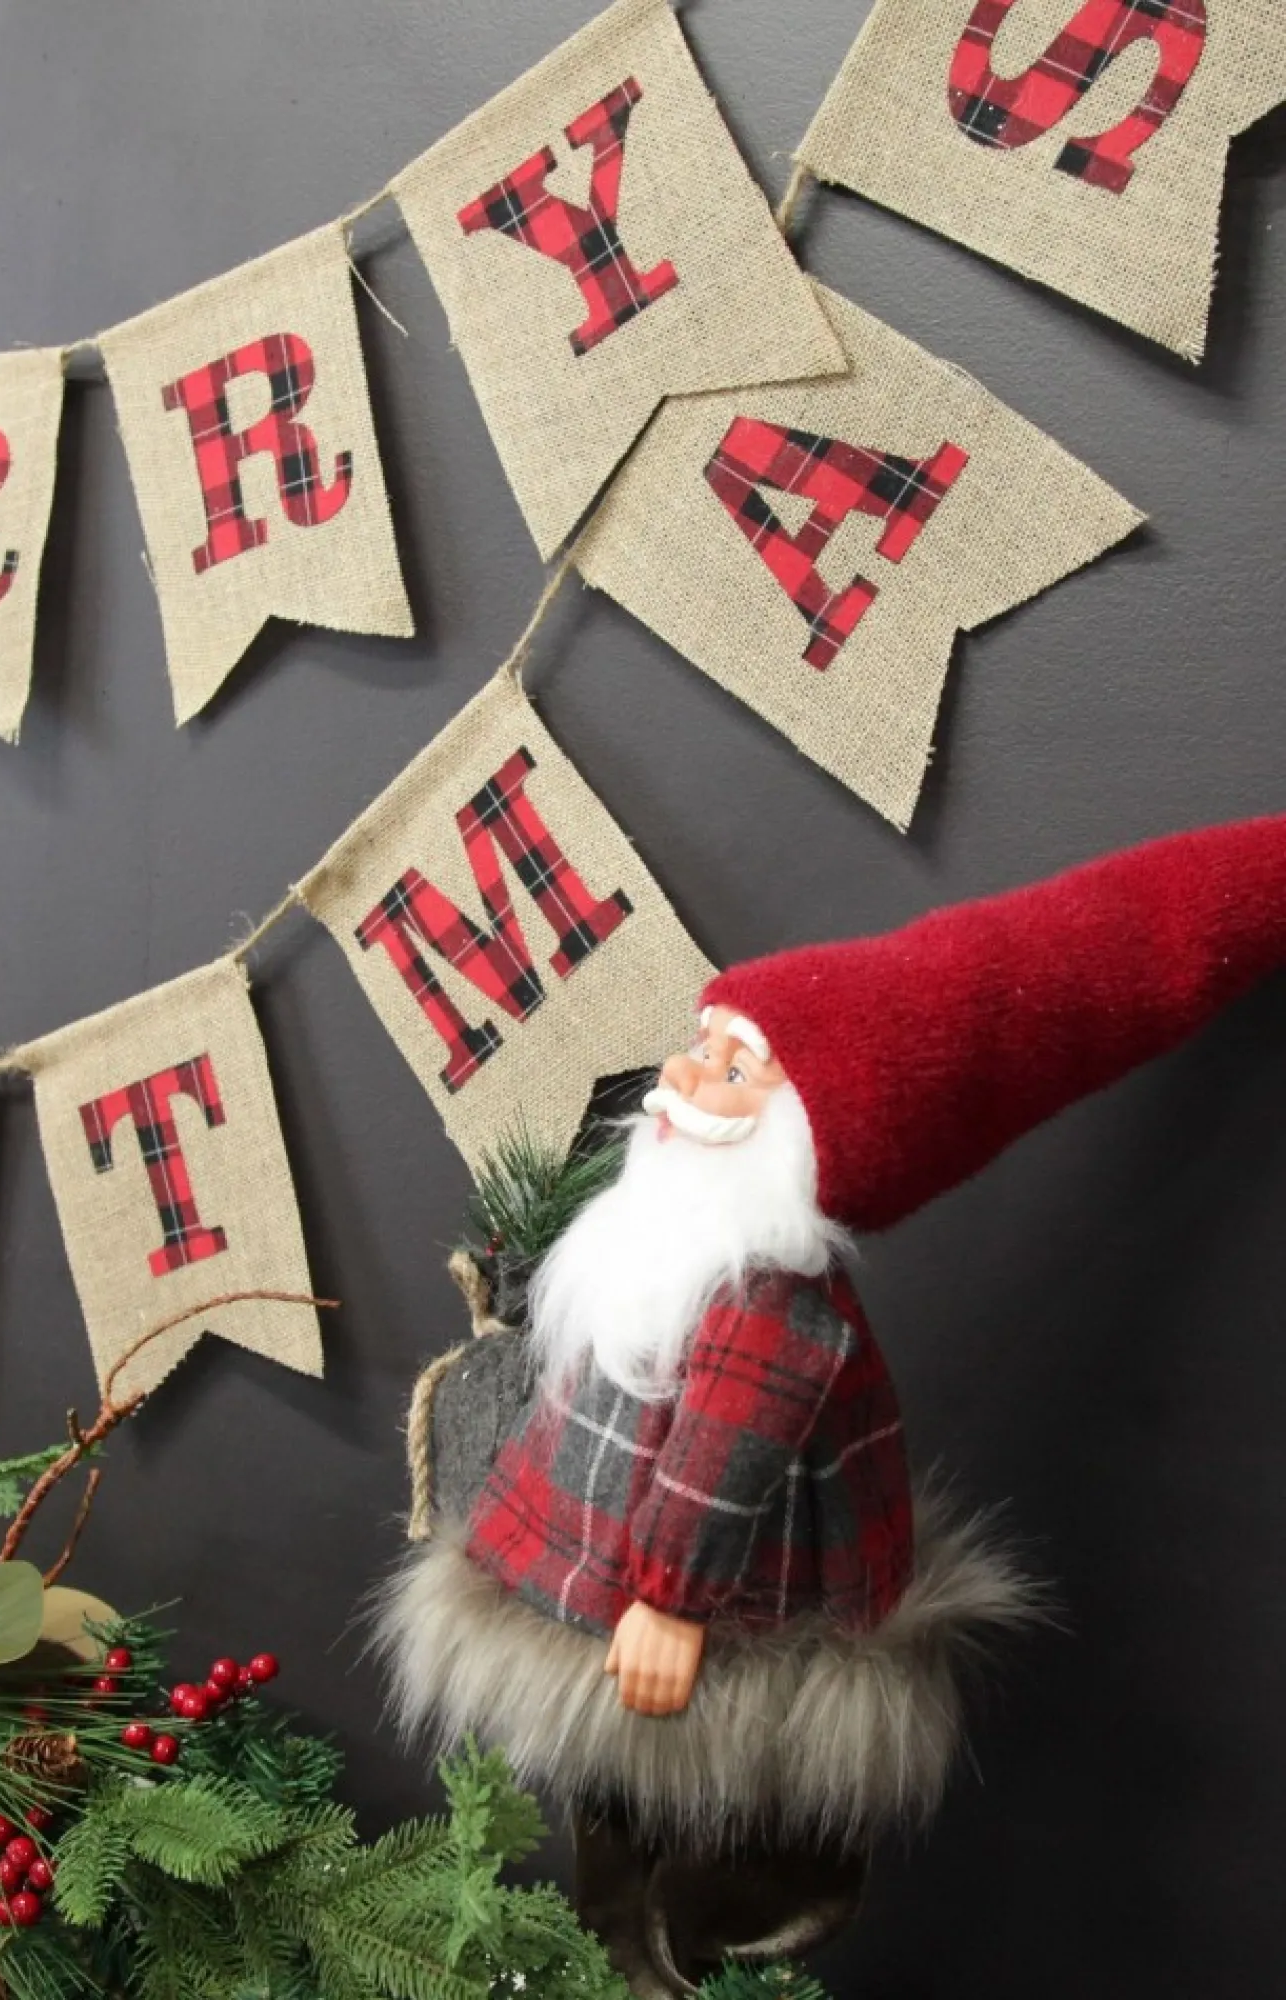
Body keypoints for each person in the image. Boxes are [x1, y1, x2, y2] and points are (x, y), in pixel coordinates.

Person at [375, 811, 1286, 1994]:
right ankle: (613, 1953)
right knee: (617, 1811)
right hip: (585, 1589)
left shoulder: (768, 1308)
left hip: (708, 1615)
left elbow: (715, 1465)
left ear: (812, 1129)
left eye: (733, 1064)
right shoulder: (667, 1240)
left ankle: (690, 1961)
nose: (683, 1075)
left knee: (734, 1824)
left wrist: (668, 1605)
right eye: (700, 1041)